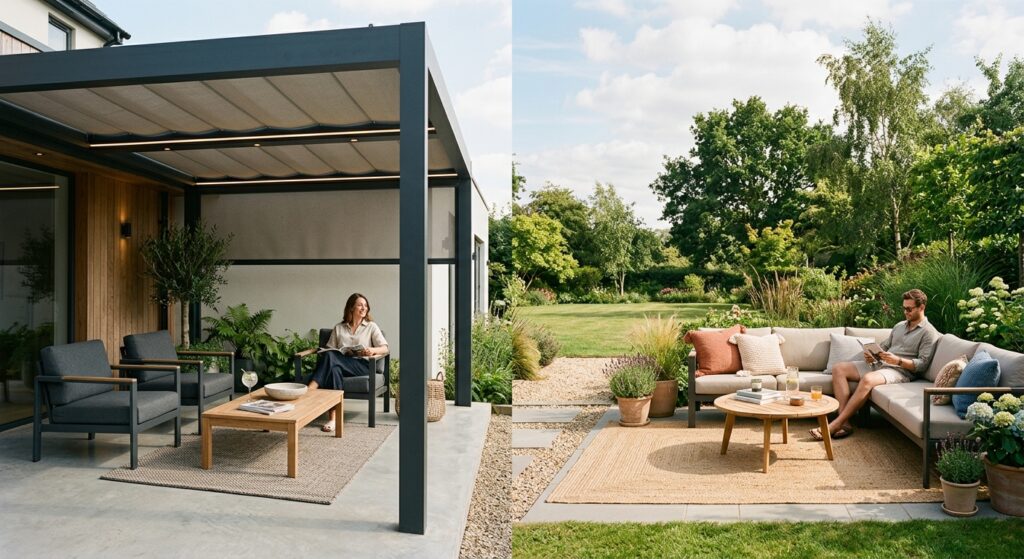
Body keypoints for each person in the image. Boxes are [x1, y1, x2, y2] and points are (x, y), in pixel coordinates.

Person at [811, 289, 939, 440]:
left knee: (868, 379)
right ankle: (845, 423)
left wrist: (897, 360)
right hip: (881, 364)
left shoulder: (929, 333)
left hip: (900, 370)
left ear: (921, 307)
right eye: (904, 308)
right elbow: (884, 346)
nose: (906, 312)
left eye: (909, 309)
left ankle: (834, 425)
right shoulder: (899, 326)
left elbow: (922, 364)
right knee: (839, 368)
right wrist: (872, 354)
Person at [307, 293, 388, 432]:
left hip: (363, 365)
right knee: (334, 368)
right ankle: (334, 419)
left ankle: (310, 390)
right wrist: (343, 352)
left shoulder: (371, 326)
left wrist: (372, 350)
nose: (364, 308)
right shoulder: (339, 328)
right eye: (360, 305)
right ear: (351, 308)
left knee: (332, 359)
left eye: (366, 305)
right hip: (342, 363)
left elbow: (385, 348)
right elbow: (329, 349)